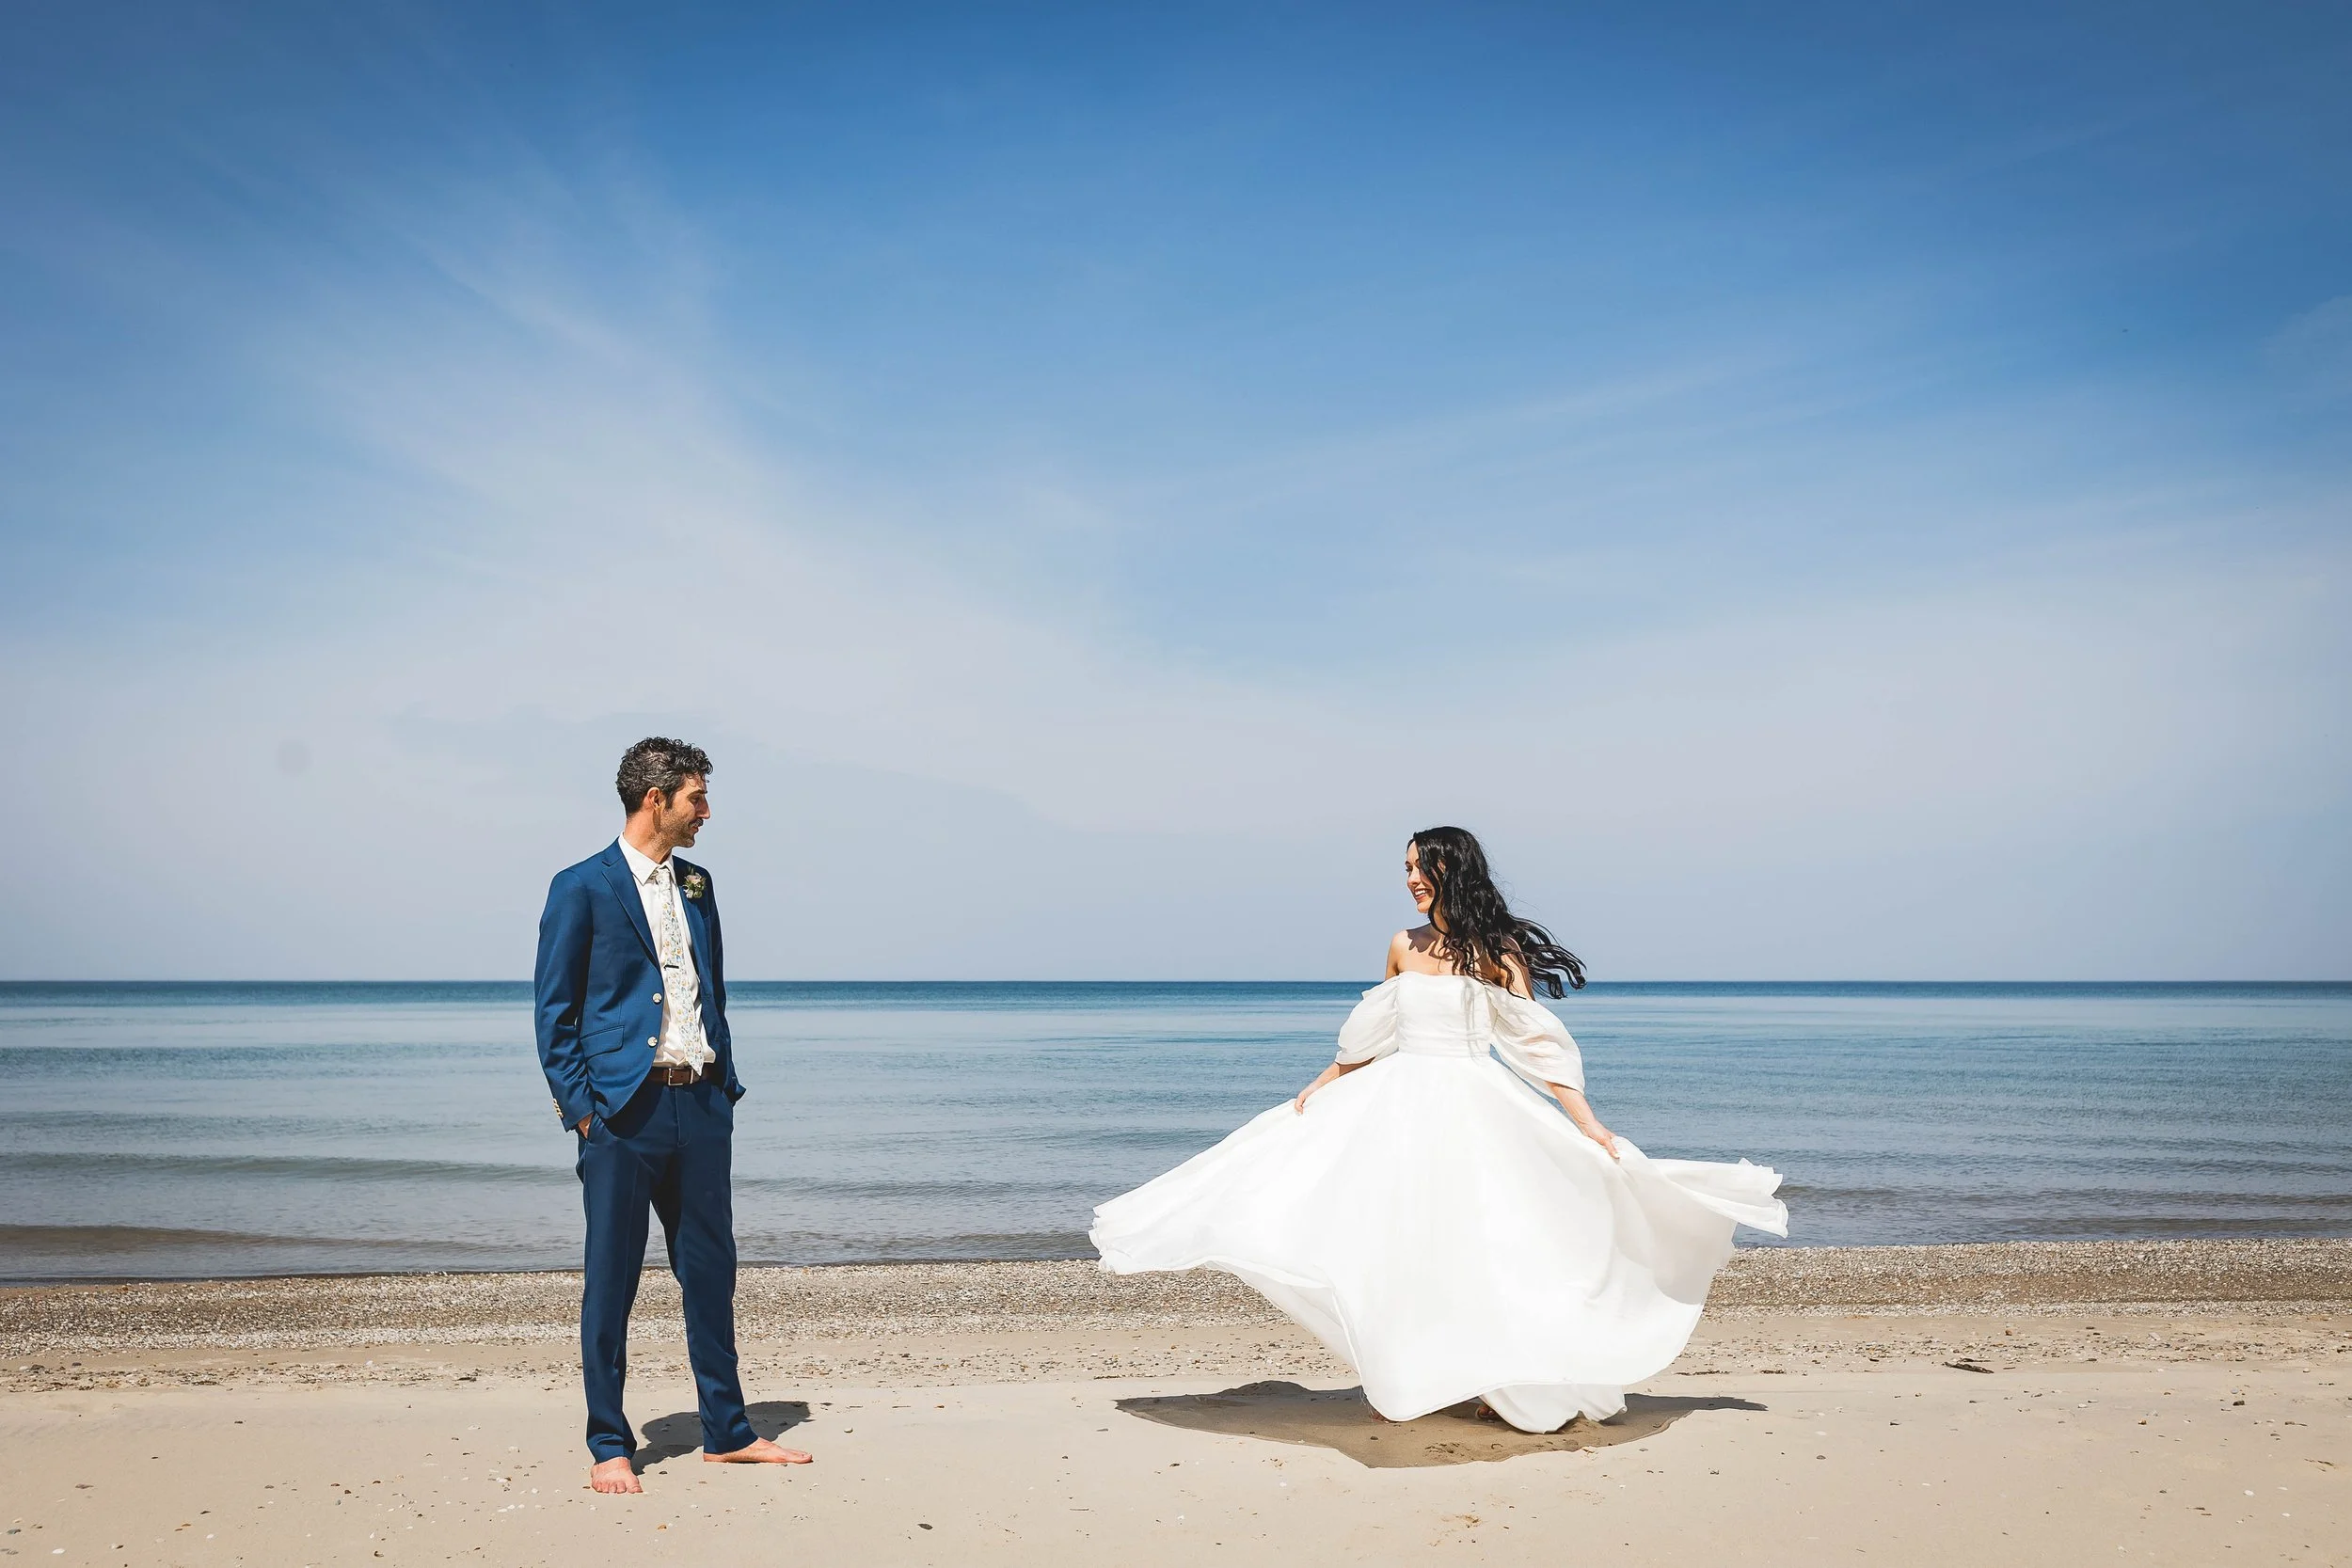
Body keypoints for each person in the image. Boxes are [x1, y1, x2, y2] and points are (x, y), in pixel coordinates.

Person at [1090, 826, 1788, 1433]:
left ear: (1453, 869)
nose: (1411, 879)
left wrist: (1588, 1123)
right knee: (1400, 1239)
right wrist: (1325, 1083)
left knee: (1485, 1239)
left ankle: (1497, 1379)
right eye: (1405, 868)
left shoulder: (1495, 950)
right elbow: (1375, 1032)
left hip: (1474, 1106)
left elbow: (1536, 1044)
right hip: (1399, 1108)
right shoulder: (1402, 944)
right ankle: (1409, 1376)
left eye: (1421, 866)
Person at [533, 736, 812, 1493]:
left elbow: (709, 989)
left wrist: (723, 1084)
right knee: (611, 1279)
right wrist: (584, 1113)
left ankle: (727, 1430)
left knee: (711, 1272)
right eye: (697, 797)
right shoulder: (579, 886)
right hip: (624, 1113)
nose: (706, 812)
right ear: (656, 799)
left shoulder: (697, 882)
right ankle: (608, 1443)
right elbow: (554, 1013)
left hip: (701, 1102)